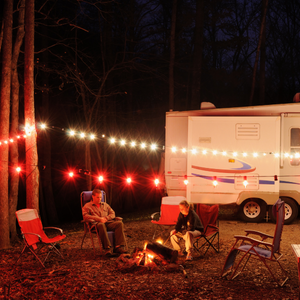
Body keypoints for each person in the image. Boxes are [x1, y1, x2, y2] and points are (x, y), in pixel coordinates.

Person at [82, 189, 127, 256]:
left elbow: (113, 214)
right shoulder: (87, 206)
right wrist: (99, 219)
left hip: (108, 223)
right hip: (96, 225)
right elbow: (85, 216)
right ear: (93, 196)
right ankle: (107, 248)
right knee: (101, 225)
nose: (99, 199)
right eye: (98, 197)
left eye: (101, 197)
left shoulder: (105, 205)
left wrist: (106, 218)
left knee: (119, 224)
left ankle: (118, 247)